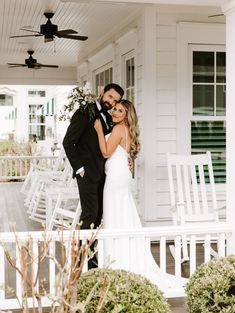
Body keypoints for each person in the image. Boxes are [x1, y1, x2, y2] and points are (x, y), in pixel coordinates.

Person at [94, 99, 187, 291]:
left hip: (115, 179)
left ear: (127, 115)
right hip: (123, 176)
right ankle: (122, 259)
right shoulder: (127, 129)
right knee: (123, 215)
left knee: (114, 216)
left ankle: (117, 262)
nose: (115, 112)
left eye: (120, 111)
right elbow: (125, 155)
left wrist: (97, 130)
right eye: (115, 109)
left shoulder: (119, 128)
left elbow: (105, 152)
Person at [62, 83, 124, 268]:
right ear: (103, 92)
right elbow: (68, 142)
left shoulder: (108, 117)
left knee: (98, 216)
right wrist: (79, 169)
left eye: (115, 100)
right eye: (110, 97)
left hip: (104, 174)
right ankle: (81, 259)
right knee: (90, 214)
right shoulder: (84, 112)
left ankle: (89, 252)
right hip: (87, 174)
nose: (111, 102)